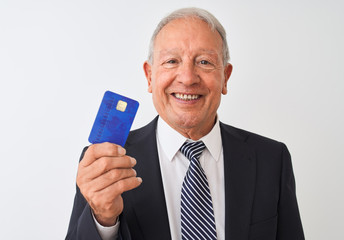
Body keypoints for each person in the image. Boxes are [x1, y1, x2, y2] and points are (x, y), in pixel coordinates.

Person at [66, 7, 305, 240]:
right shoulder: (104, 163)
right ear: (150, 76)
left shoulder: (272, 159)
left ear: (225, 77)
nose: (188, 78)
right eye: (171, 61)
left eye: (204, 62)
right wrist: (104, 221)